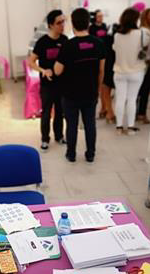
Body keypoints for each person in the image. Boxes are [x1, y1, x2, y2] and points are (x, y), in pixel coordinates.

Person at [54, 8, 105, 163]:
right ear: (88, 23)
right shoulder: (98, 43)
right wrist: (98, 89)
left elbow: (57, 71)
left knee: (71, 125)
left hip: (70, 94)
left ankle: (71, 154)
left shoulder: (68, 46)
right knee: (90, 124)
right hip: (90, 92)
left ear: (73, 24)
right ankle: (90, 154)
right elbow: (101, 70)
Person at [28, 10, 67, 151]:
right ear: (51, 25)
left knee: (60, 111)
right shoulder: (42, 42)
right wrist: (43, 71)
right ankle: (45, 139)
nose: (62, 25)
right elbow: (31, 62)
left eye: (63, 21)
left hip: (62, 83)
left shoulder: (65, 40)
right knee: (46, 112)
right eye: (59, 23)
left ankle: (59, 136)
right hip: (47, 85)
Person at [112, 8, 150, 135]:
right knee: (132, 99)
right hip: (136, 71)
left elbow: (114, 49)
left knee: (120, 98)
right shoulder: (142, 34)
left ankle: (118, 127)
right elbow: (148, 49)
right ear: (136, 19)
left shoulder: (117, 35)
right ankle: (129, 127)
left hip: (119, 71)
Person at [89, 9, 115, 123]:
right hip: (96, 55)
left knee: (105, 84)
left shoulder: (105, 26)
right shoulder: (92, 28)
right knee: (101, 84)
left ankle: (104, 108)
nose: (101, 18)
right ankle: (102, 108)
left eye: (102, 16)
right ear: (95, 17)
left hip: (106, 54)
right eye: (99, 16)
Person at [136, 8, 150, 124]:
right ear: (145, 17)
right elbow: (142, 49)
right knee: (141, 90)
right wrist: (147, 60)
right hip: (143, 65)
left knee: (145, 90)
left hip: (149, 64)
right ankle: (139, 114)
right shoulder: (144, 31)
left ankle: (141, 113)